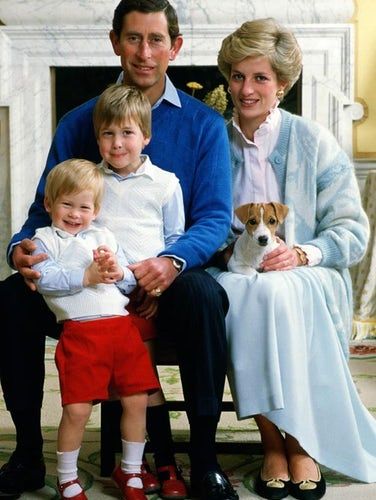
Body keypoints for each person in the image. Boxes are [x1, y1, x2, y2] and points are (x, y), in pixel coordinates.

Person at [0, 1, 237, 499]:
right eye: (133, 39)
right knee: (9, 299)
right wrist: (20, 249)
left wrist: (169, 264)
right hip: (87, 280)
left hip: (168, 275)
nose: (144, 53)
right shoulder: (80, 122)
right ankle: (26, 455)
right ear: (115, 42)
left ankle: (205, 457)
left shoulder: (202, 125)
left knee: (204, 298)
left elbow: (213, 219)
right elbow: (47, 207)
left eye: (156, 40)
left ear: (175, 47)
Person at [207, 18, 376, 500]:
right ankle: (271, 442)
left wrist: (302, 251)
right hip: (238, 272)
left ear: (282, 84)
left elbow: (352, 233)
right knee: (246, 290)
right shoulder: (213, 142)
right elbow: (199, 222)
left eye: (260, 77)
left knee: (276, 290)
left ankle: (299, 441)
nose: (246, 88)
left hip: (308, 275)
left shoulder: (314, 141)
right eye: (238, 76)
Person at [32, 158, 160, 500]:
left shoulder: (104, 237)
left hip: (121, 330)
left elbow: (128, 283)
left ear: (96, 209)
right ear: (49, 204)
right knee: (77, 409)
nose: (75, 214)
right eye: (67, 205)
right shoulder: (45, 239)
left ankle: (131, 471)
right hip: (81, 334)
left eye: (84, 206)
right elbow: (44, 279)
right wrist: (86, 276)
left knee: (136, 401)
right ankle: (67, 477)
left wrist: (118, 272)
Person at [94, 82, 188, 499]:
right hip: (101, 299)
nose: (117, 143)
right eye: (108, 134)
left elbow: (176, 238)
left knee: (142, 382)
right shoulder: (90, 180)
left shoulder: (165, 183)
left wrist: (158, 285)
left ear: (145, 136)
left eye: (127, 133)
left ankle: (163, 459)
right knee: (120, 383)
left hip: (145, 298)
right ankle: (132, 464)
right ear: (98, 137)